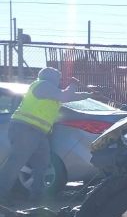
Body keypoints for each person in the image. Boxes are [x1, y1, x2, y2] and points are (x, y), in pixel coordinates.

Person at [0, 68, 92, 202]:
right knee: (17, 161)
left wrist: (89, 95)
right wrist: (73, 84)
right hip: (25, 128)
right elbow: (65, 95)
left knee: (42, 163)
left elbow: (69, 97)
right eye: (58, 77)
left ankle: (37, 195)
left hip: (38, 132)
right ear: (51, 77)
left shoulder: (51, 91)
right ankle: (2, 194)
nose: (59, 80)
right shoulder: (43, 85)